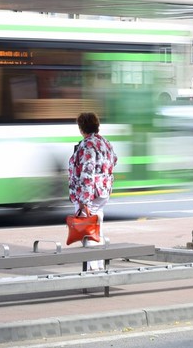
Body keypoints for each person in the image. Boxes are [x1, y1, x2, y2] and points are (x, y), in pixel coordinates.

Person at [68, 112, 118, 271]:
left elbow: (87, 175)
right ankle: (100, 267)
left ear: (82, 128)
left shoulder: (87, 145)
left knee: (88, 231)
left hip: (89, 194)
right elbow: (114, 159)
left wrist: (84, 202)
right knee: (98, 229)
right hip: (102, 192)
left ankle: (93, 270)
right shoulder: (104, 142)